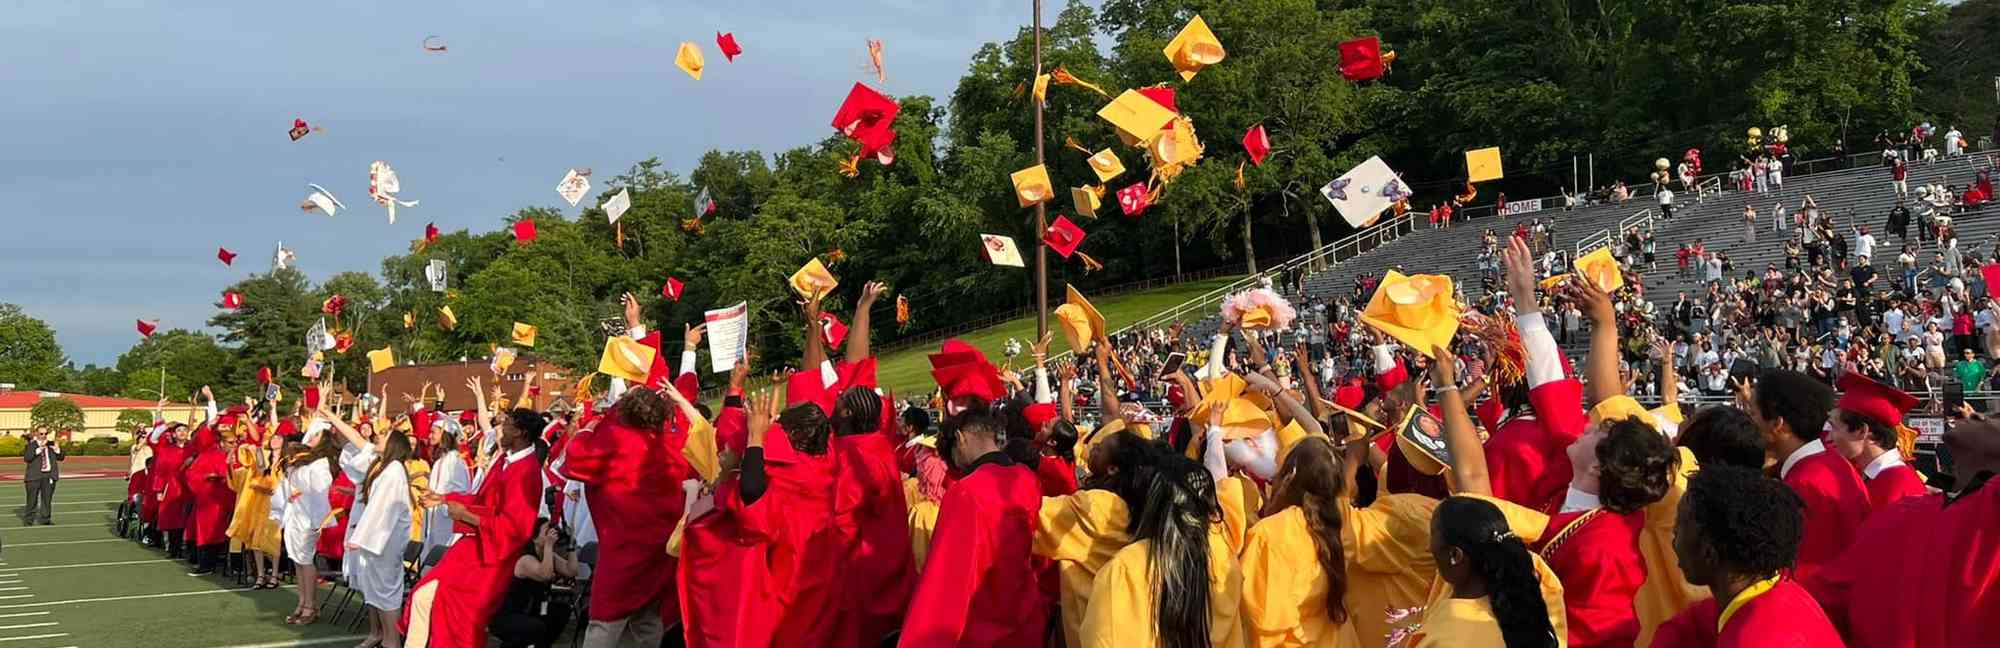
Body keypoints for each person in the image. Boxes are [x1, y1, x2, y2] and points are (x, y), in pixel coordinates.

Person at [402, 379, 547, 648]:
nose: (501, 428)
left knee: (460, 617)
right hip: (474, 546)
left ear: (521, 433)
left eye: (508, 425)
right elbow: (481, 500)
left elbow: (515, 528)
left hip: (493, 558)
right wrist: (443, 498)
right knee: (423, 596)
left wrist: (466, 515)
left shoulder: (527, 472)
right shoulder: (504, 460)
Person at [899, 405, 1047, 647]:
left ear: (961, 438)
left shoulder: (967, 491)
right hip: (1023, 613)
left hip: (982, 624)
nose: (956, 466)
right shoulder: (1027, 478)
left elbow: (945, 578)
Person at [1651, 466, 1846, 648]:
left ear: (1709, 553)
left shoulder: (1752, 640)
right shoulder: (1781, 590)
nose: (1674, 536)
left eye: (1679, 527)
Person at [560, 385, 690, 648]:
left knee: (604, 623)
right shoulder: (669, 445)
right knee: (648, 620)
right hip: (658, 552)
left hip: (623, 551)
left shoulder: (617, 444)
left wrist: (588, 429)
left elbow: (576, 459)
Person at [1737, 370, 1871, 582]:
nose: (1748, 422)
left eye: (1753, 413)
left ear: (1777, 423)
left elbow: (1802, 574)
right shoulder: (1832, 463)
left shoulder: (1804, 485)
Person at [326, 405, 415, 648]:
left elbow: (383, 510)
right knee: (376, 591)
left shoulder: (394, 470)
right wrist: (330, 415)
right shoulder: (380, 465)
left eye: (384, 435)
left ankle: (392, 641)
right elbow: (356, 439)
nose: (378, 436)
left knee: (386, 592)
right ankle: (384, 638)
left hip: (385, 541)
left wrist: (362, 536)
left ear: (394, 444)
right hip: (376, 540)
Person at [1822, 373, 1927, 512]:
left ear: (1862, 431)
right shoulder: (1874, 477)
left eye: (1834, 427)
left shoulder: (1898, 486)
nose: (1828, 438)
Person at [274, 419, 340, 625]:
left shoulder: (321, 462)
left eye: (316, 435)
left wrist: (317, 521)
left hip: (308, 517)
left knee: (306, 560)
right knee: (297, 560)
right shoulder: (301, 459)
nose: (311, 437)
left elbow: (320, 491)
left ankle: (310, 606)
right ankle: (302, 603)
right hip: (295, 514)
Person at [488, 519, 581, 648]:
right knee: (536, 627)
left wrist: (571, 546)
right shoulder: (525, 559)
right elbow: (545, 575)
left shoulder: (547, 555)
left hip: (531, 609)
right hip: (507, 615)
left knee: (561, 611)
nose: (552, 534)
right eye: (547, 531)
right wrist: (549, 546)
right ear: (534, 538)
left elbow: (572, 571)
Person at [21, 426, 62, 525]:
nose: (44, 436)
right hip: (34, 477)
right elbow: (27, 458)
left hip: (48, 476)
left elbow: (61, 457)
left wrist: (57, 450)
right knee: (32, 500)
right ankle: (29, 520)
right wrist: (39, 449)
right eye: (41, 434)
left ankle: (45, 519)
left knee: (47, 499)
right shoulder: (31, 445)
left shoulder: (51, 444)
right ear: (36, 434)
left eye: (45, 433)